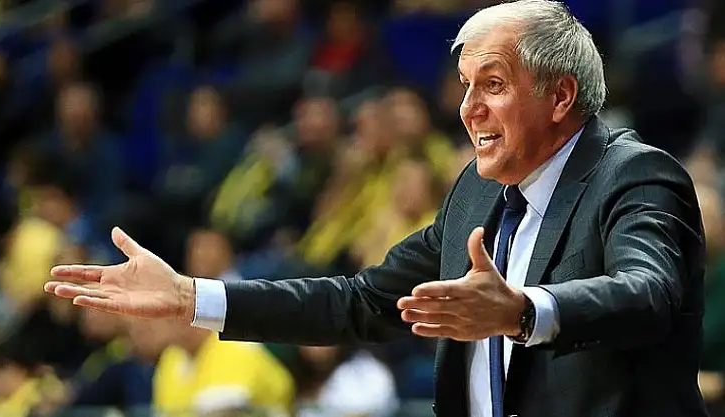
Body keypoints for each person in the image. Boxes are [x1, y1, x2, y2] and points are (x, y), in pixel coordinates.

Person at [43, 1, 708, 416]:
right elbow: (359, 302)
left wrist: (524, 311)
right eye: (465, 86)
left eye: (493, 85)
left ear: (560, 97)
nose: (468, 109)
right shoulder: (476, 195)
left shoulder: (634, 175)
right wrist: (192, 297)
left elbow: (647, 292)